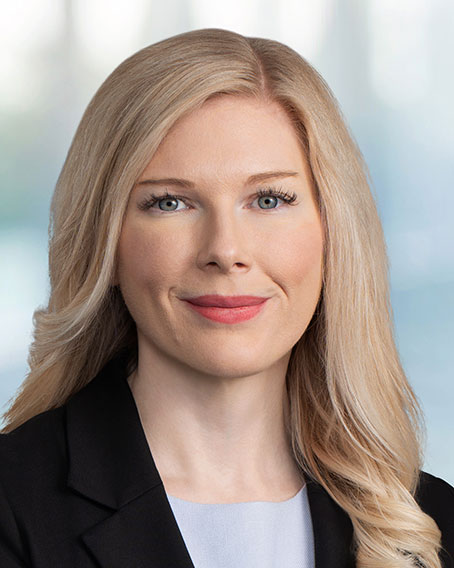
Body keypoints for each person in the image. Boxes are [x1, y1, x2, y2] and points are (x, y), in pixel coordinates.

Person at [0, 27, 453, 568]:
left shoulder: (432, 522)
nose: (225, 250)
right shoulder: (12, 504)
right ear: (106, 243)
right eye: (170, 203)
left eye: (269, 199)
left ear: (333, 232)